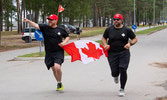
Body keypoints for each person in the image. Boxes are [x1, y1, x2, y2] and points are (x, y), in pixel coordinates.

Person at [23, 14, 70, 91]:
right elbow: (35, 25)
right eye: (49, 19)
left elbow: (67, 36)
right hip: (49, 53)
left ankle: (60, 81)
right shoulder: (45, 27)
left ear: (56, 21)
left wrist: (64, 42)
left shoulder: (60, 29)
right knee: (54, 69)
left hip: (58, 51)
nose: (49, 21)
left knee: (57, 67)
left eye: (51, 20)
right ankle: (59, 83)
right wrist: (28, 21)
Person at [102, 14, 138, 97]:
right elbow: (104, 38)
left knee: (123, 69)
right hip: (112, 53)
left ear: (121, 20)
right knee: (114, 72)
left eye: (118, 19)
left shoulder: (127, 30)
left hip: (124, 52)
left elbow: (135, 39)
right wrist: (105, 44)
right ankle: (115, 75)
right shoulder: (109, 29)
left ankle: (122, 88)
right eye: (114, 19)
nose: (116, 20)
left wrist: (130, 44)